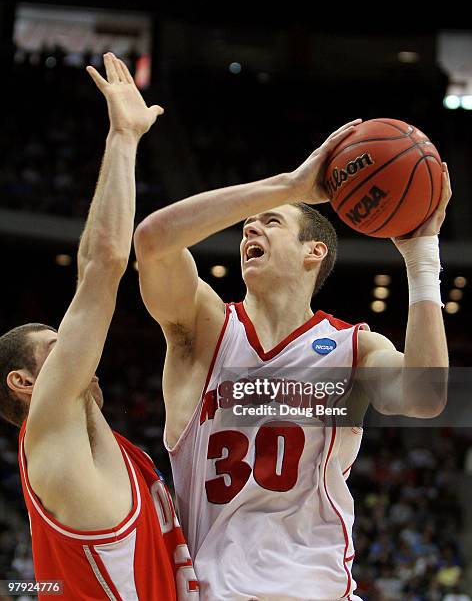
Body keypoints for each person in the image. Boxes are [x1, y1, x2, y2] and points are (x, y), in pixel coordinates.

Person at [134, 119, 450, 600]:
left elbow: (426, 396)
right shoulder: (205, 331)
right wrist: (288, 187)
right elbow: (152, 243)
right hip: (217, 590)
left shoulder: (351, 349)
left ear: (314, 252)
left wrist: (422, 258)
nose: (251, 227)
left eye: (272, 220)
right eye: (248, 224)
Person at [0, 53, 198, 600]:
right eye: (58, 346)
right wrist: (124, 138)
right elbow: (103, 264)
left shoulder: (116, 451)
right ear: (24, 382)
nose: (78, 351)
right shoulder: (50, 426)